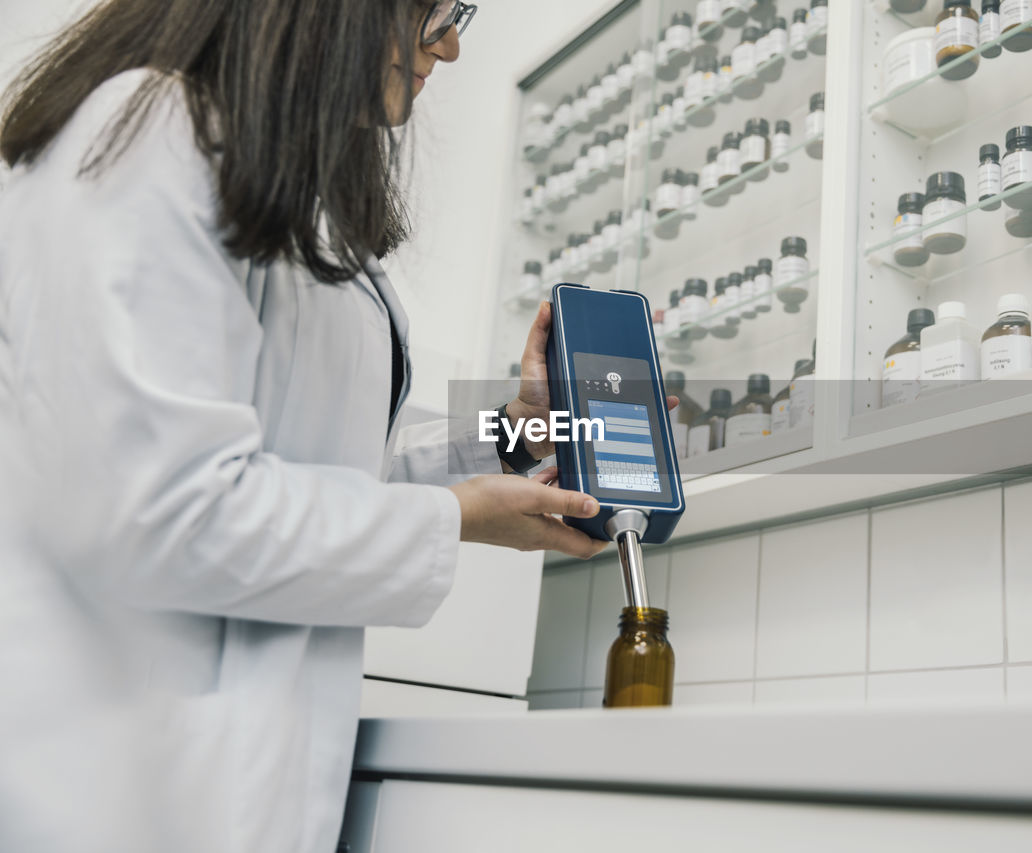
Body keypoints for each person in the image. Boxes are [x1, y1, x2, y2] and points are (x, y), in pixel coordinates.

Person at [0, 2, 659, 851]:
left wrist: (510, 435)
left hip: (244, 770)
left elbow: (314, 464)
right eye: (441, 10)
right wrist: (455, 517)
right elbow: (162, 509)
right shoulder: (153, 134)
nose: (451, 45)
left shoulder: (285, 191)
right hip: (113, 783)